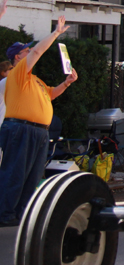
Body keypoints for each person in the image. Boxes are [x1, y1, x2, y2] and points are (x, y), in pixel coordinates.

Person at [0, 16, 78, 227]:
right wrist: (55, 34)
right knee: (15, 173)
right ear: (18, 57)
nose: (30, 52)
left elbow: (50, 94)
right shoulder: (18, 73)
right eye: (25, 51)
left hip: (37, 131)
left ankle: (21, 214)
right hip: (21, 128)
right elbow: (37, 52)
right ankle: (5, 214)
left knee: (32, 176)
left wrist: (66, 83)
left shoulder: (34, 79)